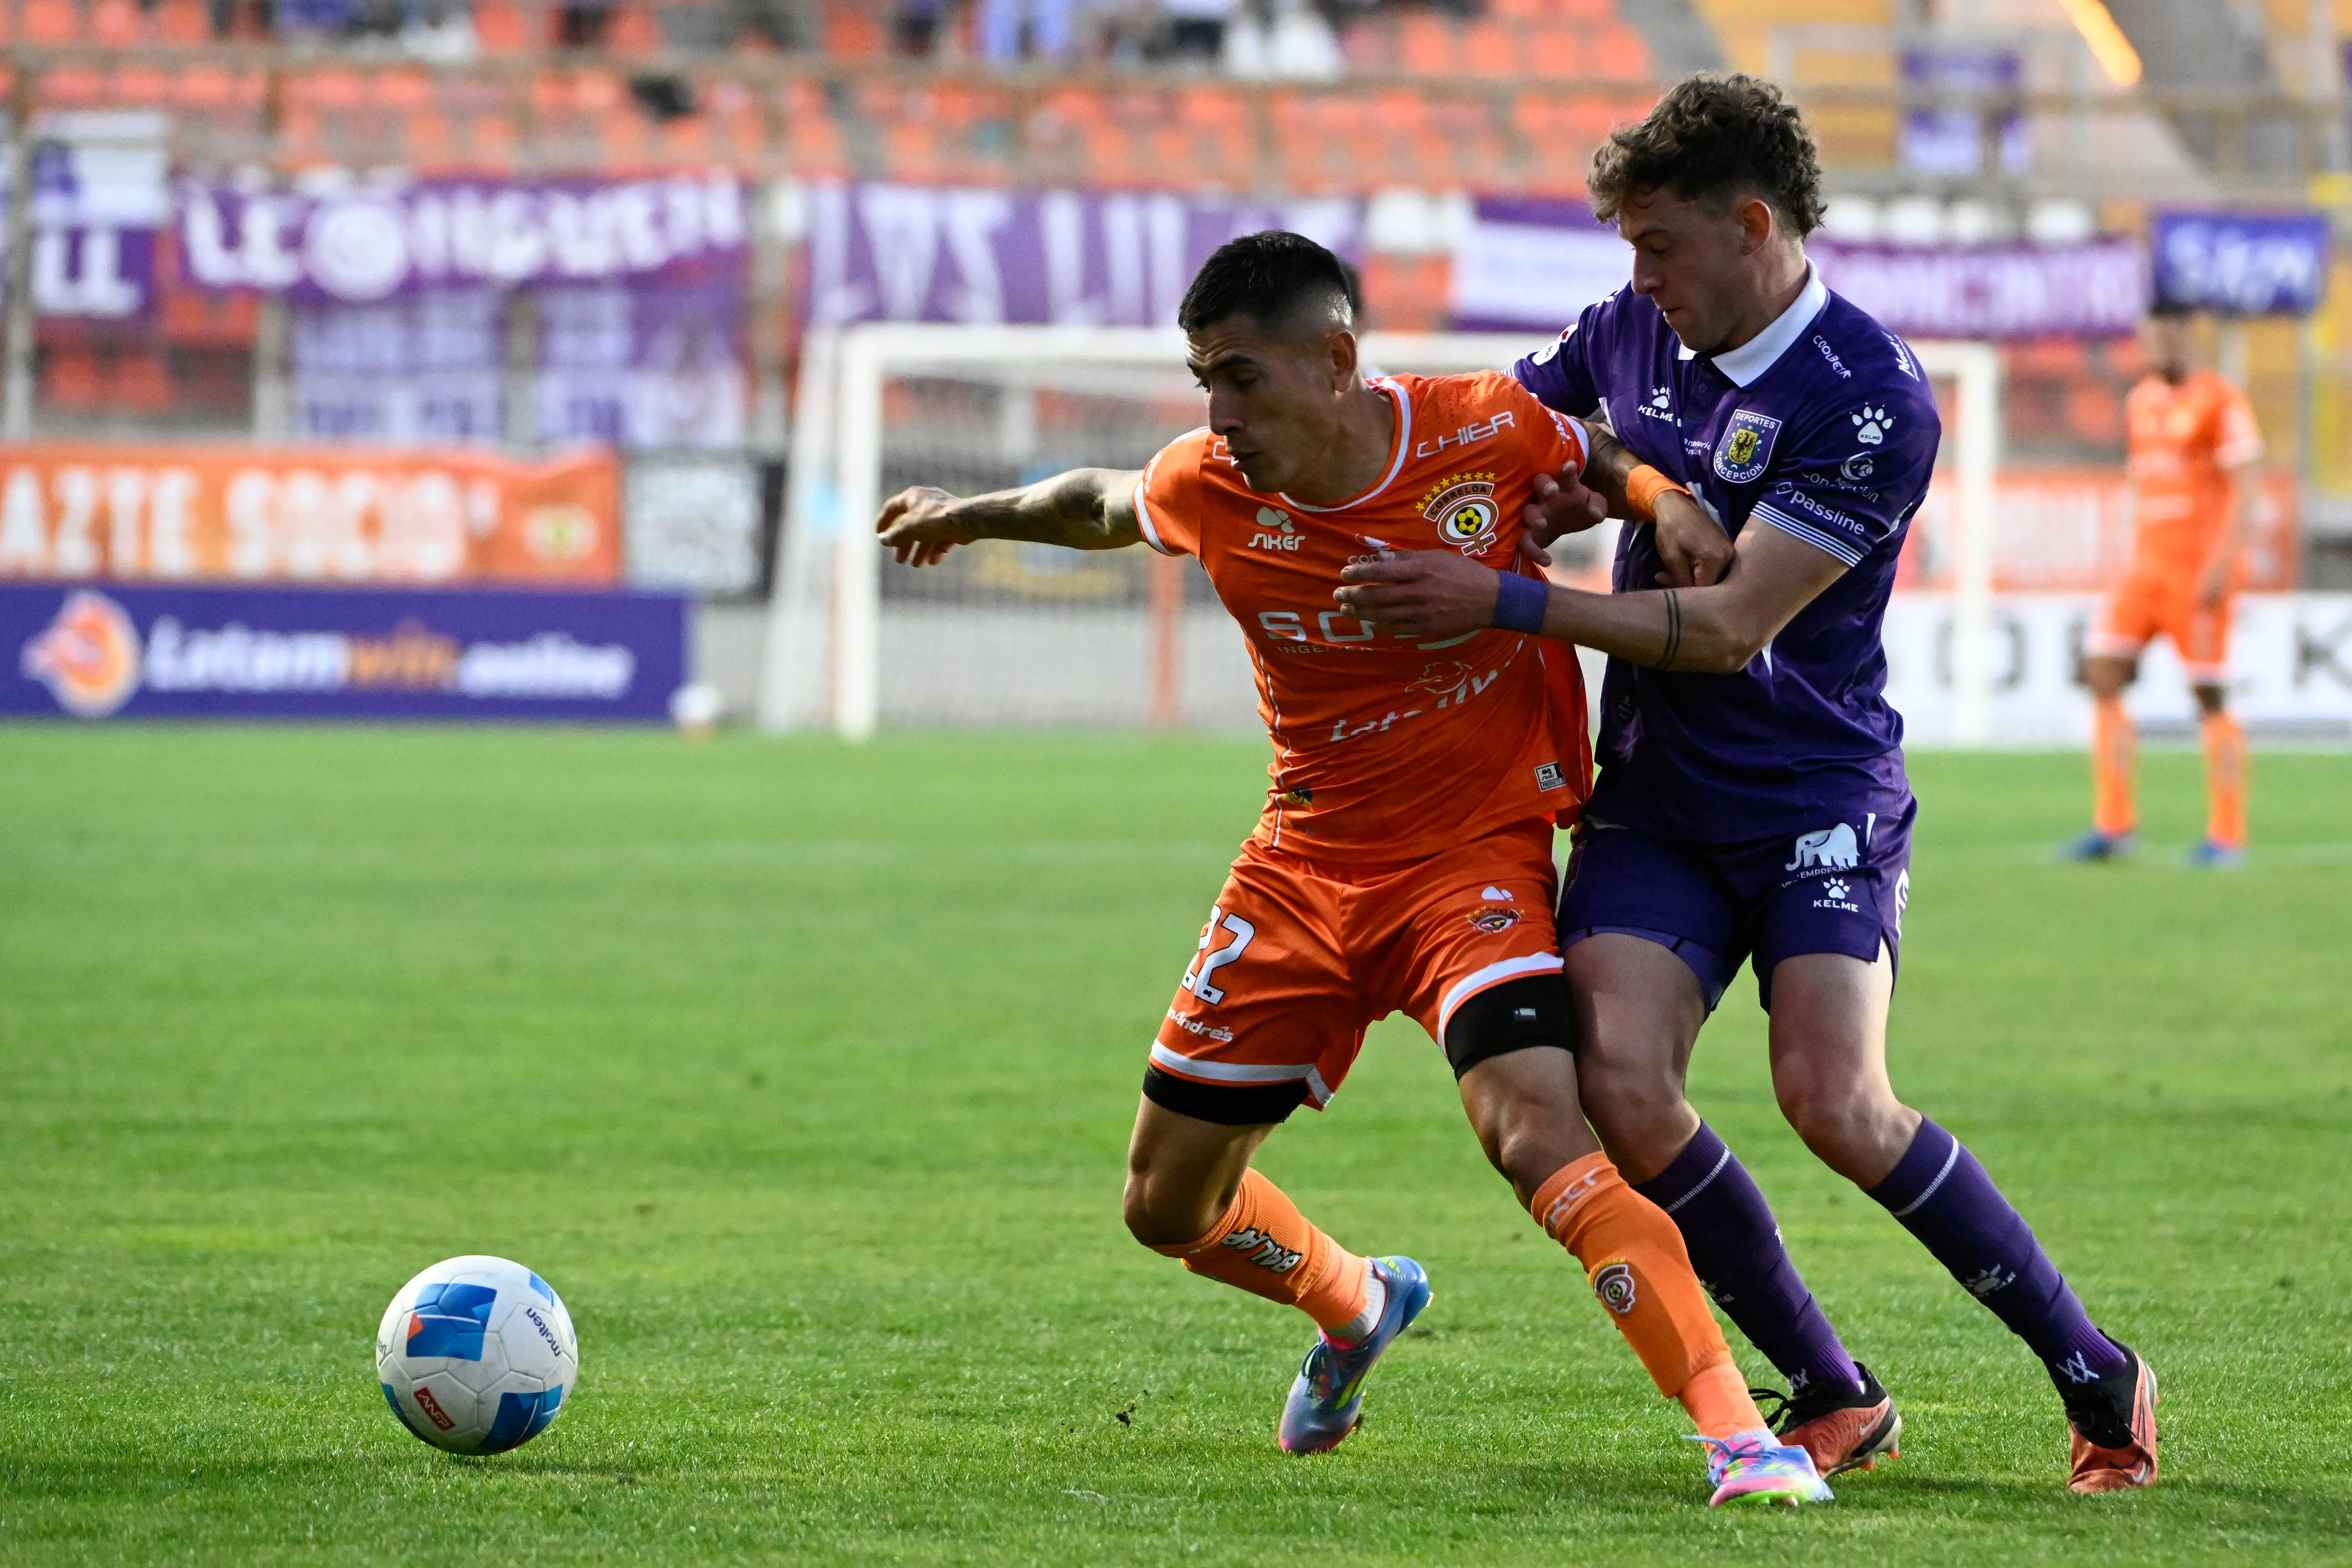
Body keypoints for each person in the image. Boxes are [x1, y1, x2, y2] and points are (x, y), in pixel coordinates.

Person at [876, 231, 1832, 1507]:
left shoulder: (1479, 428)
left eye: (1241, 378)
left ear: (1335, 360)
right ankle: (1356, 1300)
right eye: (1202, 379)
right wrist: (967, 510)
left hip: (1467, 865)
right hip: (1302, 864)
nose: (1219, 414)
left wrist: (1660, 501)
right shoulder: (1209, 481)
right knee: (1165, 1205)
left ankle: (1740, 1440)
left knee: (1537, 1133)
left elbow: (1589, 454)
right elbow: (1101, 501)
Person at [1332, 74, 2159, 1496]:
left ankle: (2093, 1367)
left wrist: (1500, 600)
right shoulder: (1635, 331)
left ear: (1752, 225)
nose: (1636, 278)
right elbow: (1515, 434)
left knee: (1836, 1100)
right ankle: (1831, 1390)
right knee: (1623, 1085)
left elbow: (1725, 631)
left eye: (1656, 245)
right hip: (1657, 795)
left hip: (1810, 791)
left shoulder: (1869, 396)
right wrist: (1601, 480)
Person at [2068, 303, 2263, 868]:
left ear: (2187, 337)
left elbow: (2245, 484)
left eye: (2172, 336)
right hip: (2145, 569)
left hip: (2197, 572)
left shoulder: (2219, 400)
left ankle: (2226, 835)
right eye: (2153, 338)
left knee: (2207, 695)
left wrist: (2224, 563)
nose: (2162, 347)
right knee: (2102, 672)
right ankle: (2115, 824)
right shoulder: (2140, 402)